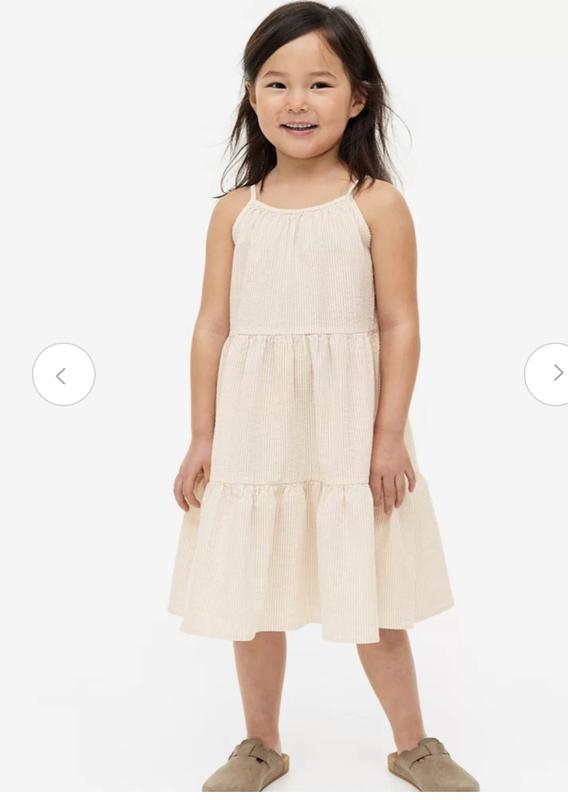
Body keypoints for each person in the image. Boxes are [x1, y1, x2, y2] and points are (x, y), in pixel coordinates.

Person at [167, 1, 479, 792]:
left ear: (358, 97)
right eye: (276, 83)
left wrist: (388, 435)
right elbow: (211, 327)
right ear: (251, 96)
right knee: (252, 595)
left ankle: (413, 744)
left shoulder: (375, 203)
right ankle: (260, 744)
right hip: (255, 430)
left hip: (348, 430)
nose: (296, 101)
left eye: (319, 83)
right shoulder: (236, 213)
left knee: (371, 591)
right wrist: (203, 436)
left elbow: (400, 324)